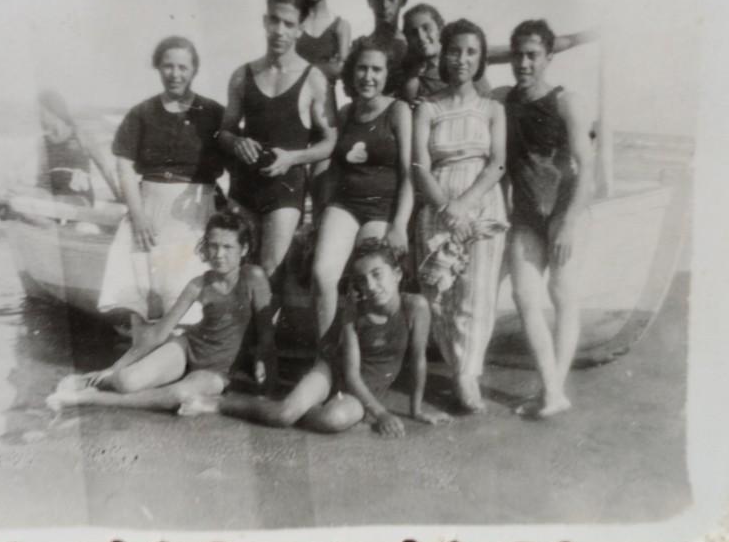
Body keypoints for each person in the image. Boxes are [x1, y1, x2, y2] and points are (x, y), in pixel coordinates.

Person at [180, 238, 448, 436]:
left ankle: (292, 405)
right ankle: (220, 404)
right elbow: (351, 374)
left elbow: (418, 360)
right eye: (363, 280)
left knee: (333, 421)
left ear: (398, 274)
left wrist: (416, 409)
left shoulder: (416, 307)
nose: (371, 286)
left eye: (377, 275)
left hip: (369, 386)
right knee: (283, 415)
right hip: (334, 370)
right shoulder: (355, 312)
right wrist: (381, 413)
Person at [49, 211, 275, 413]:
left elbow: (266, 332)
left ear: (243, 249)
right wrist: (115, 367)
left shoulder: (254, 278)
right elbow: (159, 333)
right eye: (213, 246)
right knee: (127, 381)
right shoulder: (198, 284)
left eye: (228, 247)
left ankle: (92, 400)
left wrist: (263, 369)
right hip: (188, 348)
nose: (218, 254)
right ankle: (92, 381)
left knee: (178, 396)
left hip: (221, 370)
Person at [413, 19, 508, 413]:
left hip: (480, 203)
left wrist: (464, 205)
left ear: (481, 57)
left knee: (477, 292)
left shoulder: (492, 108)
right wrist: (444, 207)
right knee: (440, 293)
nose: (462, 59)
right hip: (437, 203)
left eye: (471, 51)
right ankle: (455, 366)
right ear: (444, 55)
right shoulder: (428, 108)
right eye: (455, 50)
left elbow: (498, 164)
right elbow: (419, 165)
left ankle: (467, 375)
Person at [98, 36, 226, 325]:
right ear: (158, 68)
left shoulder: (213, 113)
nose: (175, 74)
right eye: (168, 66)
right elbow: (125, 166)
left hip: (196, 211)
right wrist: (137, 216)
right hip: (148, 209)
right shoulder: (142, 113)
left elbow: (234, 164)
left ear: (194, 70)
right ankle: (142, 354)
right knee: (143, 297)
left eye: (183, 67)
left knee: (186, 297)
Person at [502, 20, 595, 419]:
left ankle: (551, 391)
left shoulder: (566, 101)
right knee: (524, 296)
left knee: (562, 295)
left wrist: (570, 222)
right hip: (525, 215)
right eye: (518, 55)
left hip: (563, 209)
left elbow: (587, 168)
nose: (523, 63)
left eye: (533, 55)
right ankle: (554, 392)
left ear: (549, 58)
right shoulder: (503, 101)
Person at [218, 0, 336, 291]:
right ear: (264, 21)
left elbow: (331, 141)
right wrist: (236, 143)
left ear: (299, 29)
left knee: (271, 270)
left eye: (288, 23)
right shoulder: (242, 75)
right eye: (274, 21)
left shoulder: (313, 79)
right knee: (235, 271)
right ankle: (238, 338)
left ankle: (265, 339)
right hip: (244, 184)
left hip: (285, 186)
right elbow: (225, 131)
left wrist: (293, 158)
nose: (279, 30)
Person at [311, 43, 413, 345]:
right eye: (362, 68)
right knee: (322, 273)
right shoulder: (345, 114)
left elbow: (409, 174)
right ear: (352, 72)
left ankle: (374, 354)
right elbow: (333, 170)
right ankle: (326, 356)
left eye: (376, 69)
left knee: (374, 277)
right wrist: (319, 216)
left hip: (382, 208)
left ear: (387, 74)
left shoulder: (398, 110)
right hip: (345, 205)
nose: (368, 76)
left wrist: (399, 225)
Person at [401, 5, 597, 107]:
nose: (421, 37)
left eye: (427, 28)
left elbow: (541, 45)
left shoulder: (473, 53)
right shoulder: (414, 78)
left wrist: (586, 36)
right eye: (413, 32)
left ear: (440, 28)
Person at [34, 88, 118, 207]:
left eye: (42, 113)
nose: (40, 118)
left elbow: (103, 168)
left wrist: (119, 197)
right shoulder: (44, 142)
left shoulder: (81, 135)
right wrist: (35, 195)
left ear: (53, 111)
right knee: (20, 193)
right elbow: (42, 180)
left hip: (79, 199)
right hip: (54, 199)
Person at [350, 0, 411, 96]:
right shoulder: (359, 47)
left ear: (403, 0)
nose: (384, 5)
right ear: (369, 1)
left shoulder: (411, 46)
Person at [294, 0, 351, 84]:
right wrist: (327, 66)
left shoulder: (340, 26)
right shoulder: (291, 23)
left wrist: (298, 68)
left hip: (326, 98)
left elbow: (343, 70)